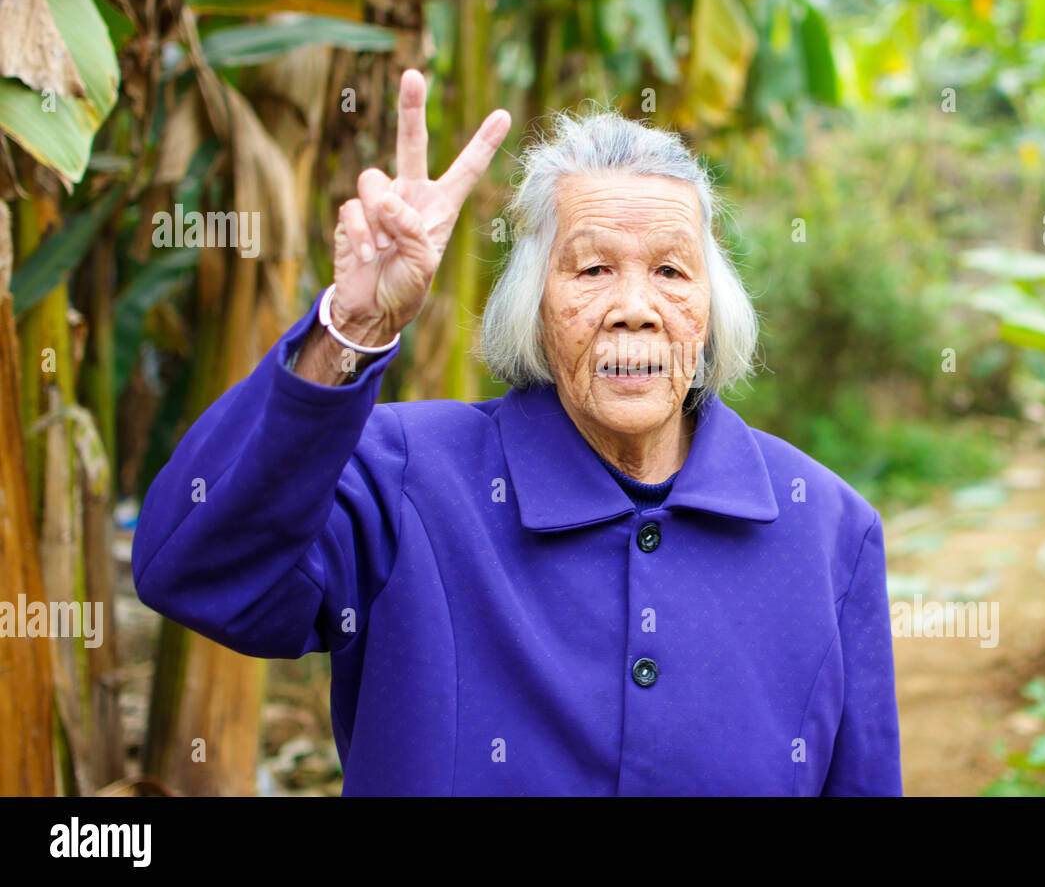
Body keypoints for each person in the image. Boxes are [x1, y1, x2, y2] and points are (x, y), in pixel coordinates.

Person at [132, 69, 902, 796]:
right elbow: (192, 569)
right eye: (592, 270)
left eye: (671, 271)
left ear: (712, 307)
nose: (636, 306)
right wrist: (352, 325)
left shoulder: (829, 529)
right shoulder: (404, 478)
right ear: (533, 301)